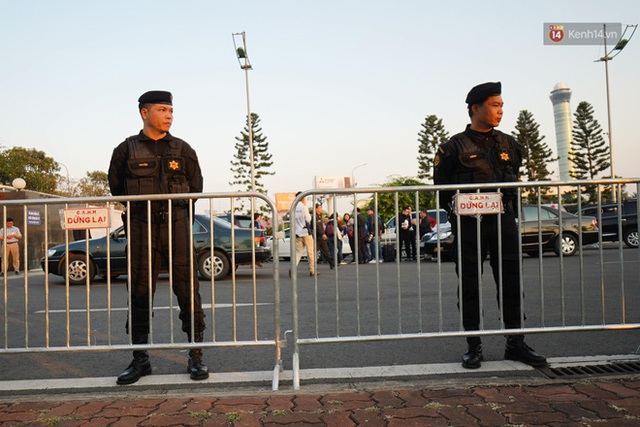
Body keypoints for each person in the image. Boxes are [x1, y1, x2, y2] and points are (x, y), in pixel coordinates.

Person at [433, 81, 546, 370]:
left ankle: (515, 343)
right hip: (468, 223)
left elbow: (513, 180)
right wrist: (460, 211)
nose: (500, 111)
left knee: (511, 281)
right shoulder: (451, 148)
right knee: (469, 283)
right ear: (475, 108)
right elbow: (442, 190)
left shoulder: (509, 144)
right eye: (495, 105)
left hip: (504, 221)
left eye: (502, 105)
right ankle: (474, 346)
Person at [108, 90, 208, 384]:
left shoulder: (183, 149)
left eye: (171, 111)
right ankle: (140, 359)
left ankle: (196, 356)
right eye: (163, 110)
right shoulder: (125, 150)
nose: (169, 116)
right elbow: (117, 188)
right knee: (139, 292)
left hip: (176, 226)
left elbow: (196, 186)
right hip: (140, 227)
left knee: (188, 289)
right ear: (144, 113)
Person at [293, 192, 315, 276]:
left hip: (297, 233)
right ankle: (312, 270)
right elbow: (308, 219)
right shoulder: (304, 207)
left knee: (298, 252)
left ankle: (293, 268)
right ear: (303, 198)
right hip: (305, 232)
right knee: (310, 252)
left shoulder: (293, 207)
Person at [312, 203, 335, 269]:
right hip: (317, 237)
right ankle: (313, 266)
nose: (321, 209)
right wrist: (322, 234)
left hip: (321, 237)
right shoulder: (314, 217)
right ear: (316, 209)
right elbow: (317, 227)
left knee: (326, 251)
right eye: (320, 208)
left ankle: (332, 263)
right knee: (314, 252)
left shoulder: (319, 216)